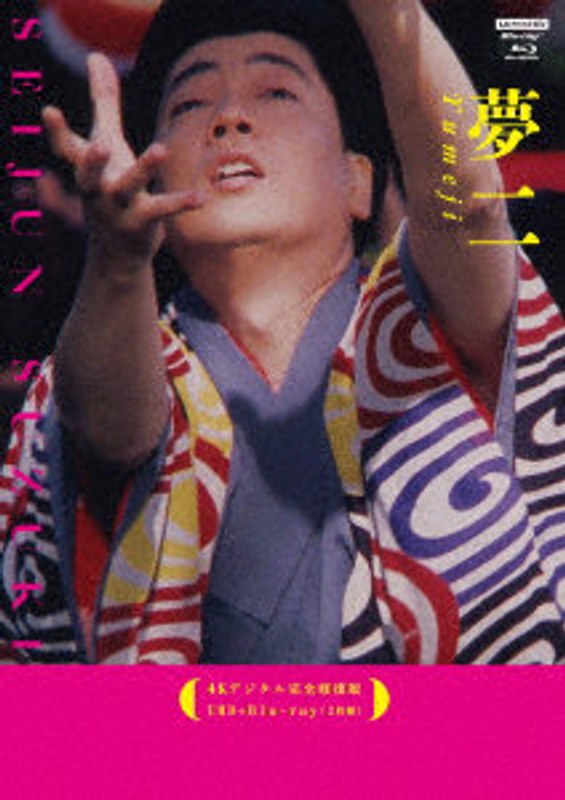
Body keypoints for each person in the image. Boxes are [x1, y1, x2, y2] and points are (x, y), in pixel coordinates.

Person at [1, 0, 565, 664]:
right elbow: (110, 430)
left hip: (454, 733)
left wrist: (389, 15)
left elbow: (467, 205)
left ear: (359, 180)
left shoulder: (426, 328)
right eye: (189, 104)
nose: (229, 118)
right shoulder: (114, 360)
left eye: (276, 92)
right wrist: (118, 262)